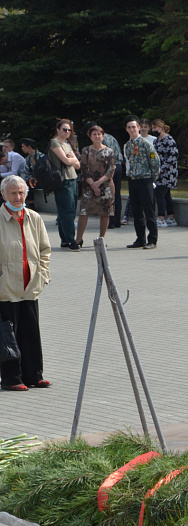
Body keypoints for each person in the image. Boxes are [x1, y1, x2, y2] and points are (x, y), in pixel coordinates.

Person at [0, 176, 51, 392]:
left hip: (30, 286)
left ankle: (34, 375)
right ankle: (12, 378)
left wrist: (43, 275)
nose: (18, 197)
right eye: (13, 193)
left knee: (31, 333)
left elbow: (44, 250)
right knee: (8, 335)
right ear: (4, 195)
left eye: (21, 193)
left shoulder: (34, 218)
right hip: (6, 288)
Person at [122, 115, 161, 250]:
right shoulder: (127, 145)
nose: (132, 129)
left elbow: (155, 162)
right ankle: (140, 239)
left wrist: (152, 179)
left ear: (139, 128)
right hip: (133, 180)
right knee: (137, 211)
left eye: (134, 127)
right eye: (129, 127)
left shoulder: (146, 144)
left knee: (149, 211)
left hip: (145, 180)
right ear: (126, 129)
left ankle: (152, 240)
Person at [76, 125, 116, 247]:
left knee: (105, 212)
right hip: (89, 186)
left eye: (99, 134)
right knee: (84, 211)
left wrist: (99, 183)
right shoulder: (86, 151)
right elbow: (84, 168)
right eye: (94, 134)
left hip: (106, 186)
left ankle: (101, 239)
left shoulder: (109, 151)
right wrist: (93, 184)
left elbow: (111, 169)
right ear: (90, 136)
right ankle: (78, 240)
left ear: (103, 136)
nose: (97, 136)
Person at [48, 119, 82, 251]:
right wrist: (72, 159)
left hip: (73, 178)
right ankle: (70, 240)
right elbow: (67, 161)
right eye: (64, 129)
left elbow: (78, 165)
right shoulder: (55, 142)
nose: (67, 132)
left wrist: (71, 160)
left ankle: (65, 240)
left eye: (69, 130)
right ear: (58, 130)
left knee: (70, 210)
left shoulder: (67, 143)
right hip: (62, 180)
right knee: (66, 211)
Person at [151, 119, 179, 227]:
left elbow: (173, 156)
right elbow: (153, 154)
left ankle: (161, 218)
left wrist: (162, 169)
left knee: (160, 193)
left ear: (161, 128)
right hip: (158, 171)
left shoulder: (169, 140)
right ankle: (171, 217)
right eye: (152, 128)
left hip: (168, 172)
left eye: (155, 128)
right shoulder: (156, 141)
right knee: (166, 195)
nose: (154, 130)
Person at [18, 139, 42, 209]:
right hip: (32, 179)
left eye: (23, 146)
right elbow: (25, 172)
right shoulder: (28, 159)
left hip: (41, 180)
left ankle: (31, 204)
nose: (22, 148)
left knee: (29, 182)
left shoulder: (41, 157)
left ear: (28, 146)